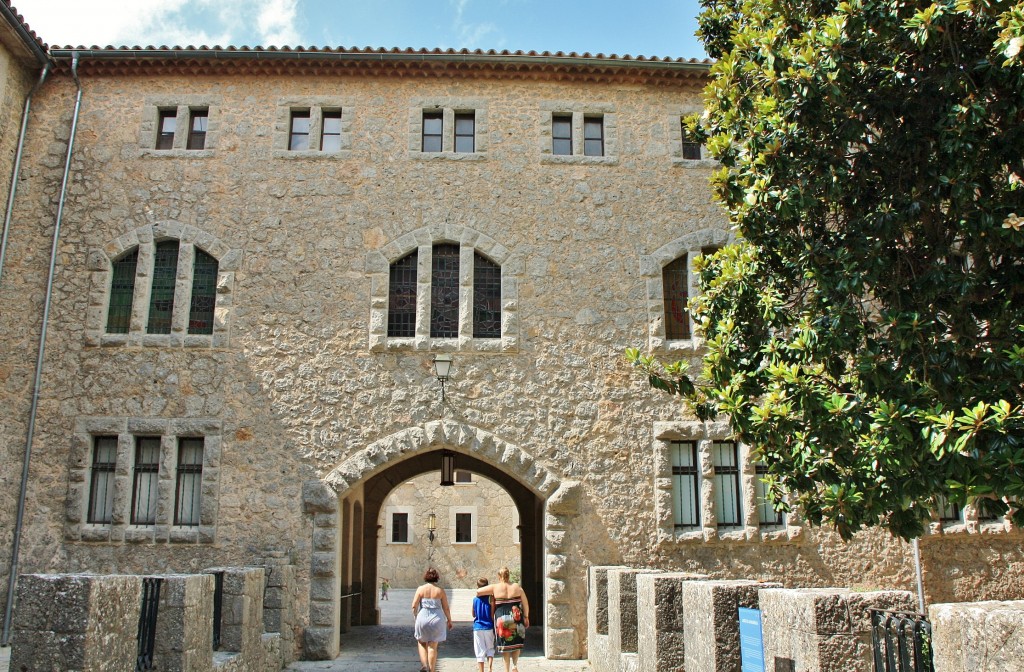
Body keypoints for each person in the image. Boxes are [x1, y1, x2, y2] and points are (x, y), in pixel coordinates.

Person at [476, 566, 529, 672]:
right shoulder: (517, 587)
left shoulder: (495, 587)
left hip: (502, 619)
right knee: (516, 643)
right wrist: (526, 617)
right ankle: (514, 664)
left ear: (499, 576)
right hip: (516, 617)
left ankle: (506, 670)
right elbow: (525, 603)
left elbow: (478, 591)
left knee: (505, 646)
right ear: (508, 575)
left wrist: (491, 593)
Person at [412, 567, 453, 672]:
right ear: (437, 578)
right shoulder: (440, 591)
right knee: (433, 645)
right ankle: (432, 669)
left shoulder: (420, 589)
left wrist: (415, 617)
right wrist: (449, 620)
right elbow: (446, 608)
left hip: (423, 616)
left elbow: (414, 606)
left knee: (421, 642)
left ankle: (424, 665)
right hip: (437, 618)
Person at [472, 578, 496, 672]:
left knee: (479, 650)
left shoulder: (475, 599)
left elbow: (473, 614)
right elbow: (492, 613)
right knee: (490, 648)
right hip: (489, 626)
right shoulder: (491, 598)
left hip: (478, 626)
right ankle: (490, 668)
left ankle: (481, 670)